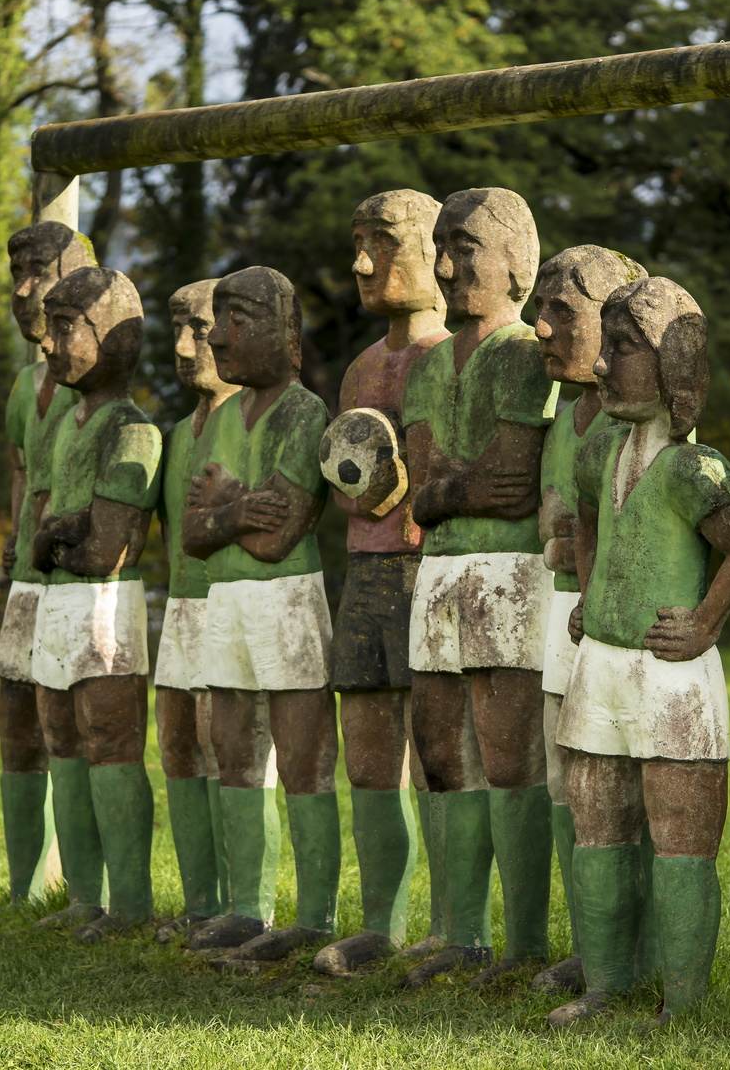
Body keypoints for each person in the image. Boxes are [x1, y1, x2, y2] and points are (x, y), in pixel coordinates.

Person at [549, 277, 730, 1029]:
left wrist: (706, 623)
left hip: (672, 674)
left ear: (676, 364)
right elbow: (585, 517)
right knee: (597, 830)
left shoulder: (693, 466)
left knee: (681, 842)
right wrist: (588, 591)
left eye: (623, 348)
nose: (604, 365)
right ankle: (607, 986)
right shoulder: (599, 447)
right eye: (605, 347)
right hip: (601, 665)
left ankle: (683, 1003)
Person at [400, 188, 556, 989]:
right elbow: (425, 488)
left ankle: (524, 940)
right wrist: (455, 486)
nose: (448, 264)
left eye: (467, 246)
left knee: (509, 752)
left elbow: (512, 483)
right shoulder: (429, 365)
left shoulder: (528, 354)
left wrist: (449, 487)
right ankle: (455, 927)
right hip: (438, 574)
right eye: (441, 247)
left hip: (506, 575)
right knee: (438, 749)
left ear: (515, 262)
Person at [312, 190, 452, 976]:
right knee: (367, 749)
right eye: (358, 242)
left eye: (385, 243)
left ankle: (450, 921)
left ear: (437, 250)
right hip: (366, 570)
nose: (363, 262)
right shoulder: (362, 367)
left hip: (429, 567)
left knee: (438, 751)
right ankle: (380, 922)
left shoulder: (456, 359)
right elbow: (344, 483)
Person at [181, 267, 339, 960]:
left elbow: (280, 536)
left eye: (238, 318)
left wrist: (225, 509)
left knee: (302, 758)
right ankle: (247, 907)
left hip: (286, 602)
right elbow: (190, 533)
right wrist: (240, 506)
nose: (218, 334)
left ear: (286, 333)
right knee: (234, 753)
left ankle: (314, 915)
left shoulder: (305, 413)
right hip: (226, 602)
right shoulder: (218, 421)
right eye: (218, 318)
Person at [30, 266, 162, 944]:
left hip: (104, 605)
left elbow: (104, 547)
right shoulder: (63, 425)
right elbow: (45, 531)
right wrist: (58, 533)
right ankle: (84, 894)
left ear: (108, 335)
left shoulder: (133, 430)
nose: (47, 344)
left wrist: (58, 534)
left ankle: (130, 902)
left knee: (109, 739)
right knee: (59, 736)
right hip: (57, 606)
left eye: (63, 328)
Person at [531, 245, 648, 995]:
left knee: (619, 786)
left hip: (614, 625)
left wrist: (564, 537)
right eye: (539, 311)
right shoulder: (560, 417)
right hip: (559, 615)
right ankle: (589, 940)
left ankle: (633, 947)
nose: (540, 328)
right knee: (563, 783)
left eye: (561, 313)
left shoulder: (635, 419)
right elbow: (554, 529)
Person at [0, 221, 93, 911]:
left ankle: (94, 887)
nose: (25, 289)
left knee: (80, 724)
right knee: (16, 720)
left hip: (81, 582)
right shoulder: (23, 383)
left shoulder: (95, 382)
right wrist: (15, 535)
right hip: (28, 583)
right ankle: (27, 887)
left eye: (39, 270)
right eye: (16, 274)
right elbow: (20, 471)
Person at [151, 279, 238, 943]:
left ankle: (242, 904)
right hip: (180, 607)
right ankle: (199, 901)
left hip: (233, 604)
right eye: (176, 329)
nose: (185, 346)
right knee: (179, 745)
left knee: (227, 745)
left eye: (200, 329)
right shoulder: (176, 432)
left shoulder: (254, 417)